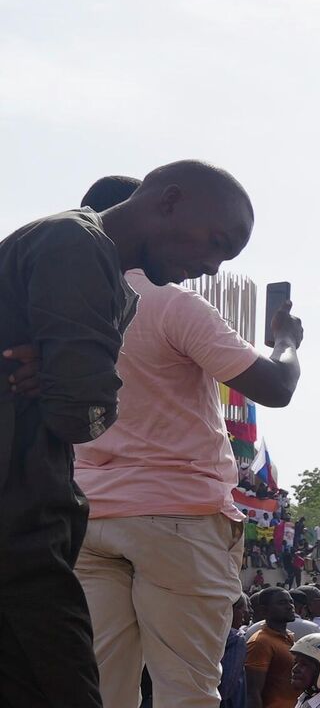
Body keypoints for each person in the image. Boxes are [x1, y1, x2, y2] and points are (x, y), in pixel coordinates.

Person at [0, 160, 255, 707]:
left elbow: (87, 402)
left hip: (56, 511)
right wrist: (71, 376)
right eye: (215, 242)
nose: (210, 265)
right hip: (26, 519)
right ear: (169, 200)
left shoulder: (122, 292)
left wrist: (66, 370)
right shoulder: (75, 242)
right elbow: (80, 413)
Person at [71, 174, 305, 708]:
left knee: (103, 692)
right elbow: (276, 386)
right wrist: (287, 342)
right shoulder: (170, 305)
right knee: (187, 694)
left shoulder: (66, 305)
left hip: (88, 516)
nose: (207, 264)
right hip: (180, 520)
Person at [247, 587, 308, 708]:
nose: (290, 606)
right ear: (264, 610)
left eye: (290, 601)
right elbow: (252, 693)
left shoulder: (289, 636)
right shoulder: (260, 642)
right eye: (282, 603)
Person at [222, 597, 251, 708]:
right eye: (243, 612)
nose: (244, 618)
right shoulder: (236, 638)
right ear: (231, 610)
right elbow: (226, 689)